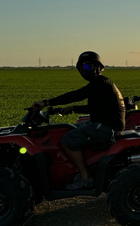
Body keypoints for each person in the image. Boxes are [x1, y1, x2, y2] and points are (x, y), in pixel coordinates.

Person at [32, 51, 125, 189]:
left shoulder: (100, 83)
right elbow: (96, 108)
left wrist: (46, 102)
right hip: (106, 124)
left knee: (67, 140)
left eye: (88, 67)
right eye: (82, 68)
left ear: (97, 68)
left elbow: (76, 95)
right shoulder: (101, 83)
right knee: (74, 127)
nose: (85, 71)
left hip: (107, 129)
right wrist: (72, 109)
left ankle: (86, 177)